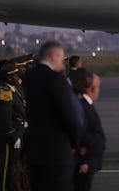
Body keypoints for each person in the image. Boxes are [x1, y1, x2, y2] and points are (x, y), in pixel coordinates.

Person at [22, 40, 82, 191]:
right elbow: (69, 114)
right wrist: (76, 142)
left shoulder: (29, 77)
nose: (63, 63)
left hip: (34, 150)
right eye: (62, 58)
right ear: (54, 56)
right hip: (56, 151)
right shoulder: (56, 79)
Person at [0, 61, 28, 191]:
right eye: (14, 75)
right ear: (8, 77)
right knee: (5, 170)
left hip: (19, 130)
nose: (17, 76)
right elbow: (5, 118)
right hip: (7, 136)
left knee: (14, 169)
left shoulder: (15, 89)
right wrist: (12, 136)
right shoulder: (5, 91)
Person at [71, 68, 105, 191]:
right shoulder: (83, 107)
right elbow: (80, 134)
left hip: (89, 162)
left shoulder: (86, 105)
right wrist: (85, 161)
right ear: (92, 88)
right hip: (84, 163)